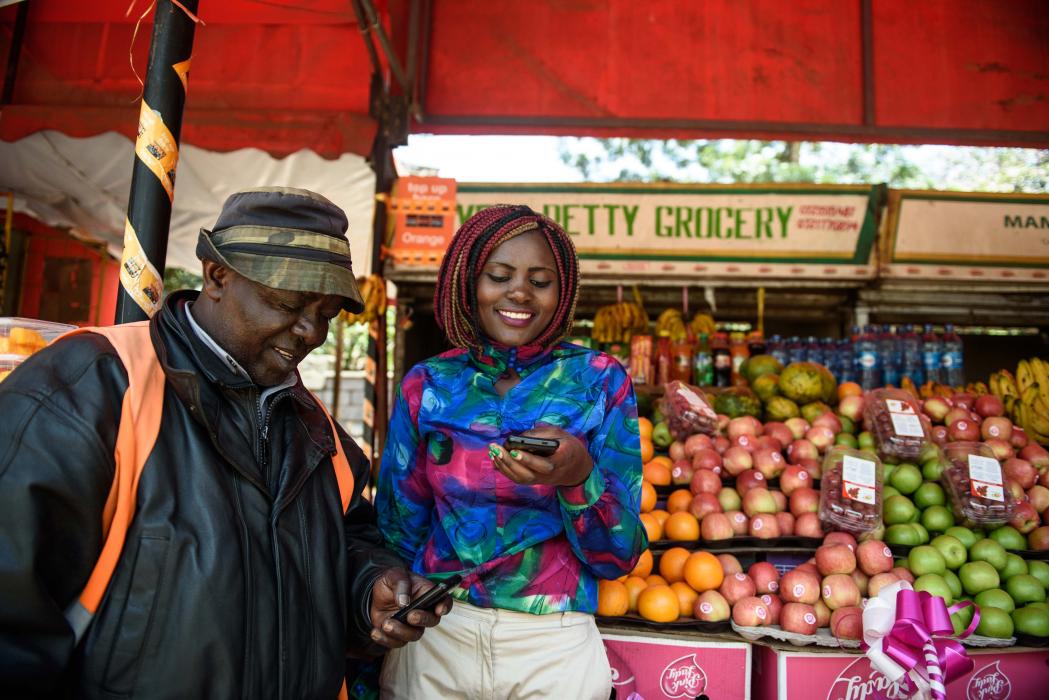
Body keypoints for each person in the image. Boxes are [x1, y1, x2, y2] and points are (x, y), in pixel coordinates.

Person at [0, 187, 448, 699]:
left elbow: (342, 547)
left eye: (326, 313)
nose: (310, 330)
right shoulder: (91, 386)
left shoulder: (322, 436)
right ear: (216, 275)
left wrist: (370, 590)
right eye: (288, 302)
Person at [376, 204, 646, 699]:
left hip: (554, 643)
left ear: (562, 293)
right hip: (439, 633)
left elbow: (620, 556)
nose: (519, 292)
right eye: (498, 276)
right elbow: (397, 526)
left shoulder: (600, 380)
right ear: (467, 284)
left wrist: (578, 475)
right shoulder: (429, 385)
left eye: (540, 281)